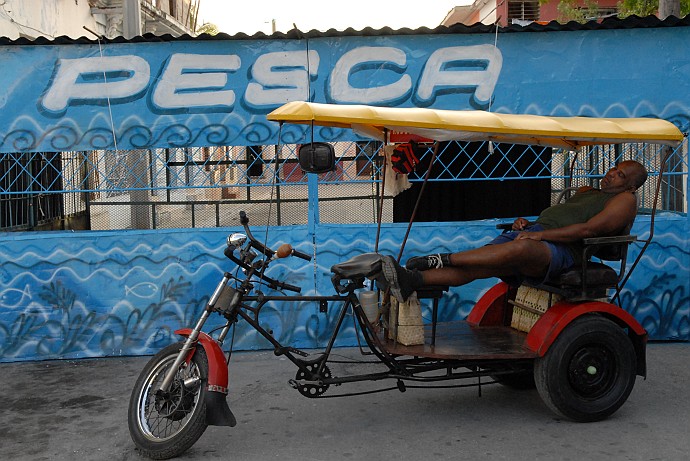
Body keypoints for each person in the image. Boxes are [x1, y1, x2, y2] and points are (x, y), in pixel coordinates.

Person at [377, 160, 648, 303]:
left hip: (565, 250)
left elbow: (587, 229)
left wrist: (539, 235)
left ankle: (438, 259)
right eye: (614, 168)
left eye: (622, 175)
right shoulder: (587, 190)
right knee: (484, 263)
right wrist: (527, 224)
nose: (613, 173)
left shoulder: (624, 201)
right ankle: (414, 279)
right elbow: (557, 218)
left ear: (631, 187)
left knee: (520, 249)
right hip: (537, 233)